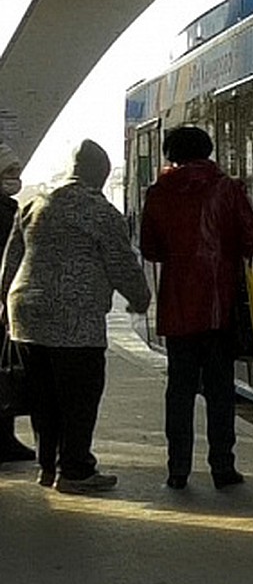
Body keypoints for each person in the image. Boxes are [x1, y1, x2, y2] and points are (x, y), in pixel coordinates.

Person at [0, 140, 151, 493]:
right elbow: (122, 264)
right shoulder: (100, 211)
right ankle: (76, 470)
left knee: (43, 395)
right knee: (79, 396)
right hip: (74, 318)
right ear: (99, 174)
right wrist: (141, 299)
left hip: (26, 313)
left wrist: (5, 305)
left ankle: (47, 466)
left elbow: (11, 259)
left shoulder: (35, 204)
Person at [139, 125, 253, 490]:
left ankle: (178, 469)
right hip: (219, 308)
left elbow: (150, 249)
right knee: (220, 390)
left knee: (179, 390)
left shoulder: (159, 193)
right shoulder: (227, 188)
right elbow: (251, 238)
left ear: (171, 153)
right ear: (208, 150)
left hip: (177, 310)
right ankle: (223, 466)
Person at [0, 143, 36, 463]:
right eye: (10, 172)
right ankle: (4, 439)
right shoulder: (7, 213)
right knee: (5, 374)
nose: (15, 178)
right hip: (1, 306)